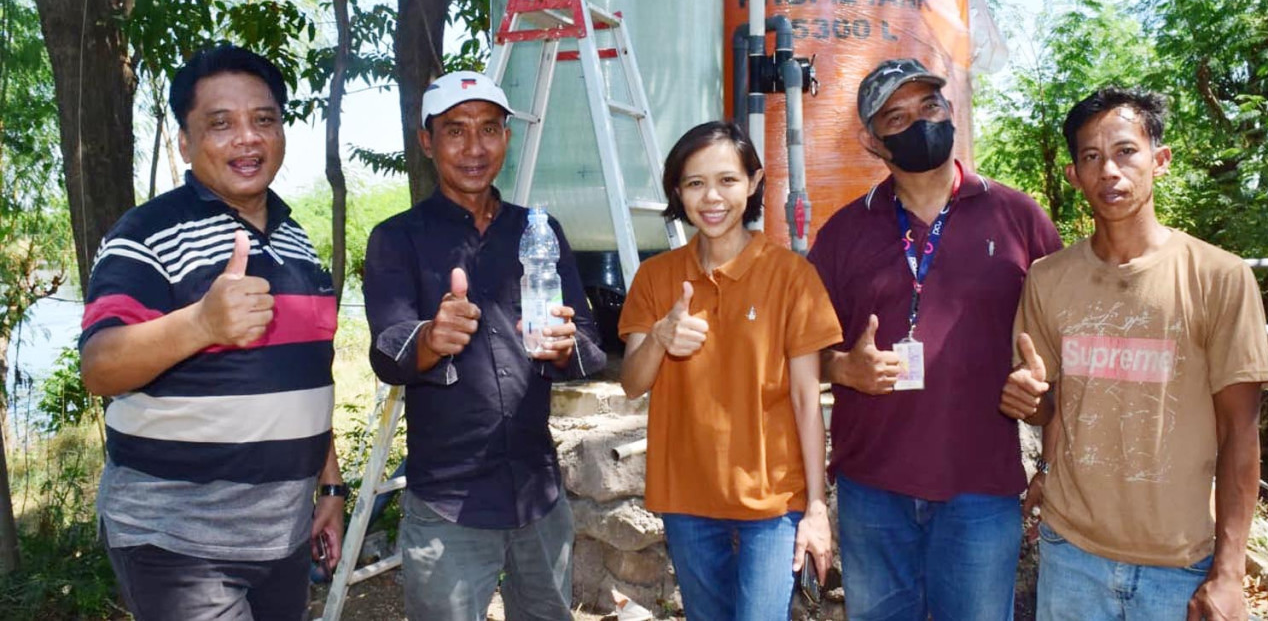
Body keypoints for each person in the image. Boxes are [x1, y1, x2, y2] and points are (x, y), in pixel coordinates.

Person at [79, 44, 344, 621]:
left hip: (284, 535)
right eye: (220, 124)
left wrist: (329, 489)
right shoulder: (147, 232)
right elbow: (98, 366)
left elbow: (305, 377)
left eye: (263, 120)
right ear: (184, 142)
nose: (247, 139)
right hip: (177, 540)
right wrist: (200, 323)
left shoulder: (298, 240)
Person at [999, 87, 1268, 621]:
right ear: (1074, 175)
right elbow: (1048, 408)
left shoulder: (1220, 277)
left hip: (1180, 565)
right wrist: (1027, 398)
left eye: (1126, 150)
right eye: (1091, 156)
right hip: (1072, 555)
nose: (1109, 171)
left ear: (1160, 160)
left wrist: (1229, 572)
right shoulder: (1047, 278)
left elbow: (1240, 433)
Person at [807, 58, 1062, 621]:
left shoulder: (1018, 217)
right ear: (872, 142)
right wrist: (842, 368)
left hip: (981, 486)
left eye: (930, 107)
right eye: (896, 117)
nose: (919, 122)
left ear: (951, 113)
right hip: (872, 486)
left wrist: (1041, 399)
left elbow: (1062, 350)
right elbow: (797, 355)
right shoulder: (844, 231)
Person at [362, 70, 607, 621]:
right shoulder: (396, 238)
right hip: (450, 501)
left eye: (489, 129)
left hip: (539, 495)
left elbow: (589, 347)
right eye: (455, 131)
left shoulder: (538, 231)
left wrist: (566, 346)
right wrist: (430, 338)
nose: (474, 147)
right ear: (427, 140)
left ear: (507, 138)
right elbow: (387, 351)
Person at [616, 120, 843, 621]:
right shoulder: (656, 276)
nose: (711, 197)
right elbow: (633, 383)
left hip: (773, 500)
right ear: (677, 191)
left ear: (754, 182)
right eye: (695, 183)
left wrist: (816, 507)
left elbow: (809, 402)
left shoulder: (792, 276)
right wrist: (659, 337)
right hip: (686, 497)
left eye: (727, 180)